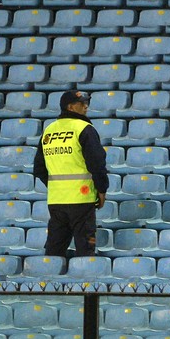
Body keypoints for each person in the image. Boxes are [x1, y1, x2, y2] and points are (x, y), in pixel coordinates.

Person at [33, 90, 109, 258]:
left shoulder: (49, 131)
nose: (86, 106)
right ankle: (86, 284)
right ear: (70, 107)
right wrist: (102, 190)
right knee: (85, 250)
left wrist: (57, 186)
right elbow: (97, 163)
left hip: (56, 200)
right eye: (82, 103)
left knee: (54, 251)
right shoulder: (84, 129)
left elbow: (39, 168)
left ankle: (50, 282)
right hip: (82, 198)